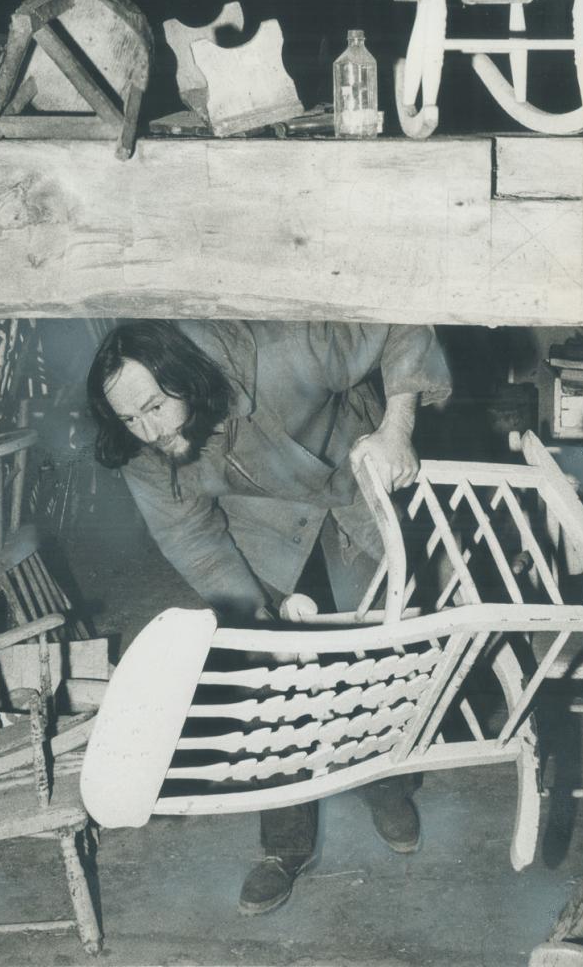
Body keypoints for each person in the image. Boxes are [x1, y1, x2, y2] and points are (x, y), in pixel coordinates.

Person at [87, 319, 452, 915]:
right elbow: (192, 537)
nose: (148, 431)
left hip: (351, 492)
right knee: (270, 681)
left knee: (379, 659)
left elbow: (401, 323)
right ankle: (285, 844)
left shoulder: (284, 351)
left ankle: (385, 782)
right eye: (130, 418)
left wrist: (396, 428)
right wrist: (258, 620)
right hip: (261, 525)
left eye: (154, 407)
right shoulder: (139, 446)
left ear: (188, 378)